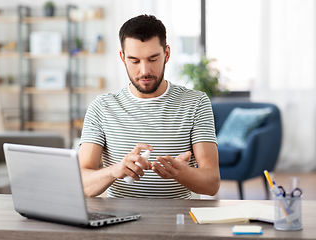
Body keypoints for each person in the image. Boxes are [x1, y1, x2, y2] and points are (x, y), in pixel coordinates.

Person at [78, 14, 220, 199]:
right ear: (122, 58)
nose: (144, 71)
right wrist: (115, 170)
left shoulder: (196, 103)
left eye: (153, 59)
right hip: (118, 222)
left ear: (166, 54)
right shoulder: (102, 107)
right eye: (135, 61)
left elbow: (212, 183)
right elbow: (80, 184)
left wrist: (181, 173)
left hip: (177, 222)